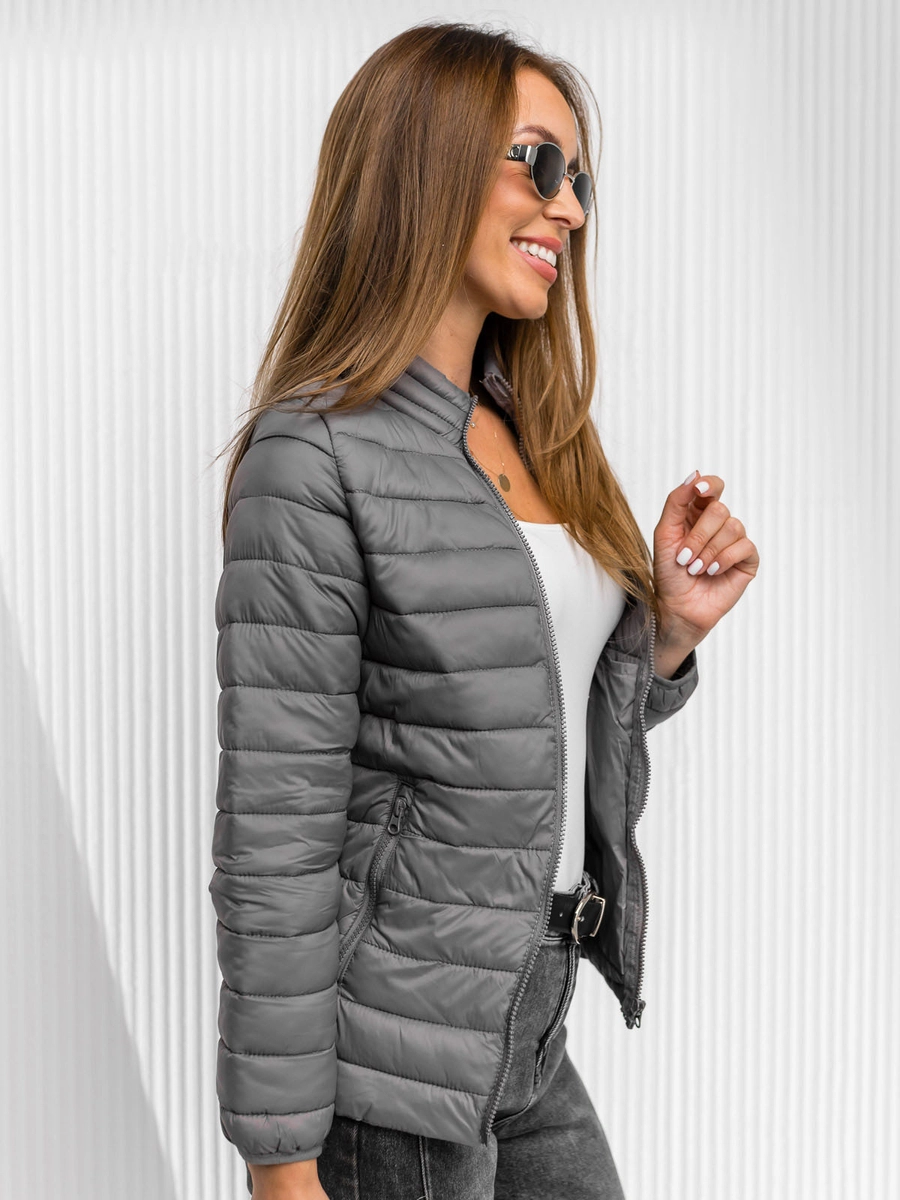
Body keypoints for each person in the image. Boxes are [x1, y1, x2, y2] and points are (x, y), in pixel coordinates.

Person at [208, 19, 758, 1200]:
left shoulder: (536, 436)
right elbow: (274, 842)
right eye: (537, 163)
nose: (569, 208)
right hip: (390, 1063)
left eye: (580, 180)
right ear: (425, 162)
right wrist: (280, 1162)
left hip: (528, 1020)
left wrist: (664, 636)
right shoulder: (314, 456)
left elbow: (520, 733)